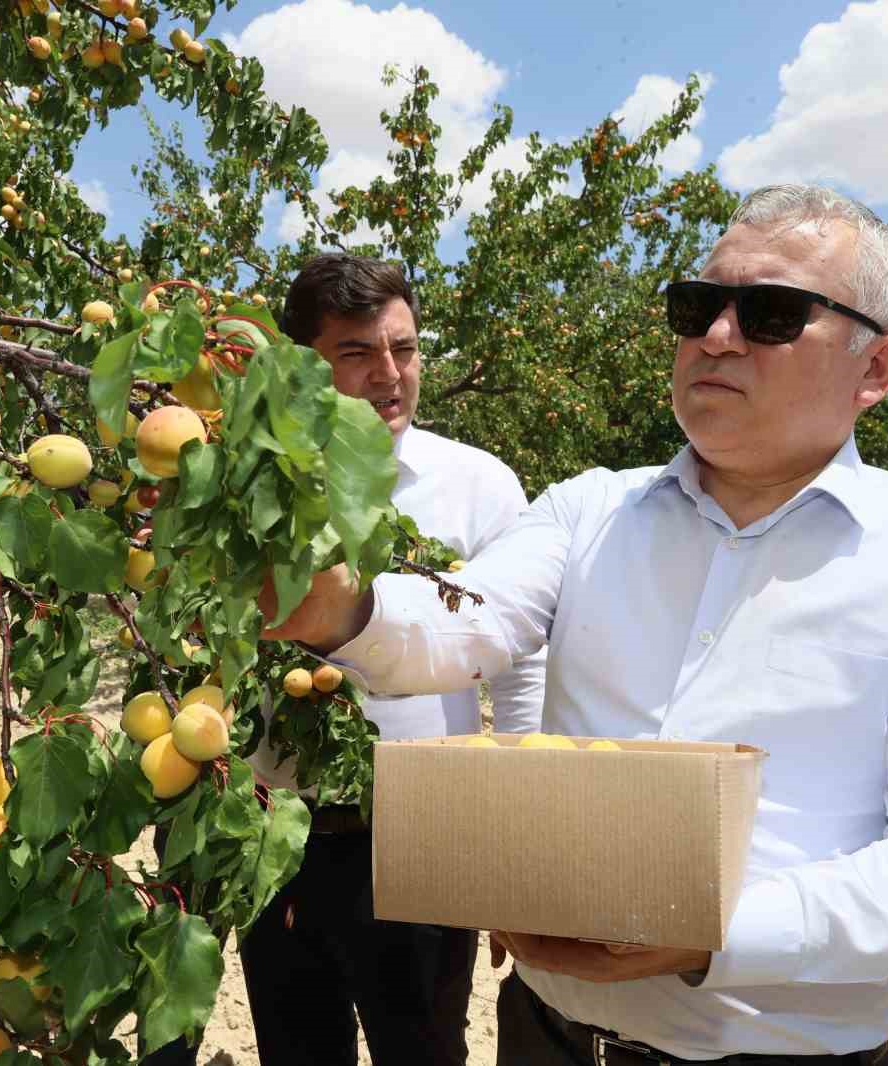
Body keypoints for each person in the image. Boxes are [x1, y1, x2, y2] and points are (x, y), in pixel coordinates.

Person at [263, 185, 888, 1066]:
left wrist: (709, 934)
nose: (717, 336)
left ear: (877, 369)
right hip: (546, 1036)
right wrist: (344, 608)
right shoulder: (588, 509)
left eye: (771, 315)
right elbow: (466, 623)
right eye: (698, 306)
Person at [239, 254, 545, 1066]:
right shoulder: (244, 484)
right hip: (276, 832)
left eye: (403, 349)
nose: (390, 376)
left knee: (424, 1048)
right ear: (301, 363)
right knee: (297, 1050)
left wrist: (516, 853)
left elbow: (522, 671)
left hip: (423, 830)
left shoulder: (476, 486)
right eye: (356, 353)